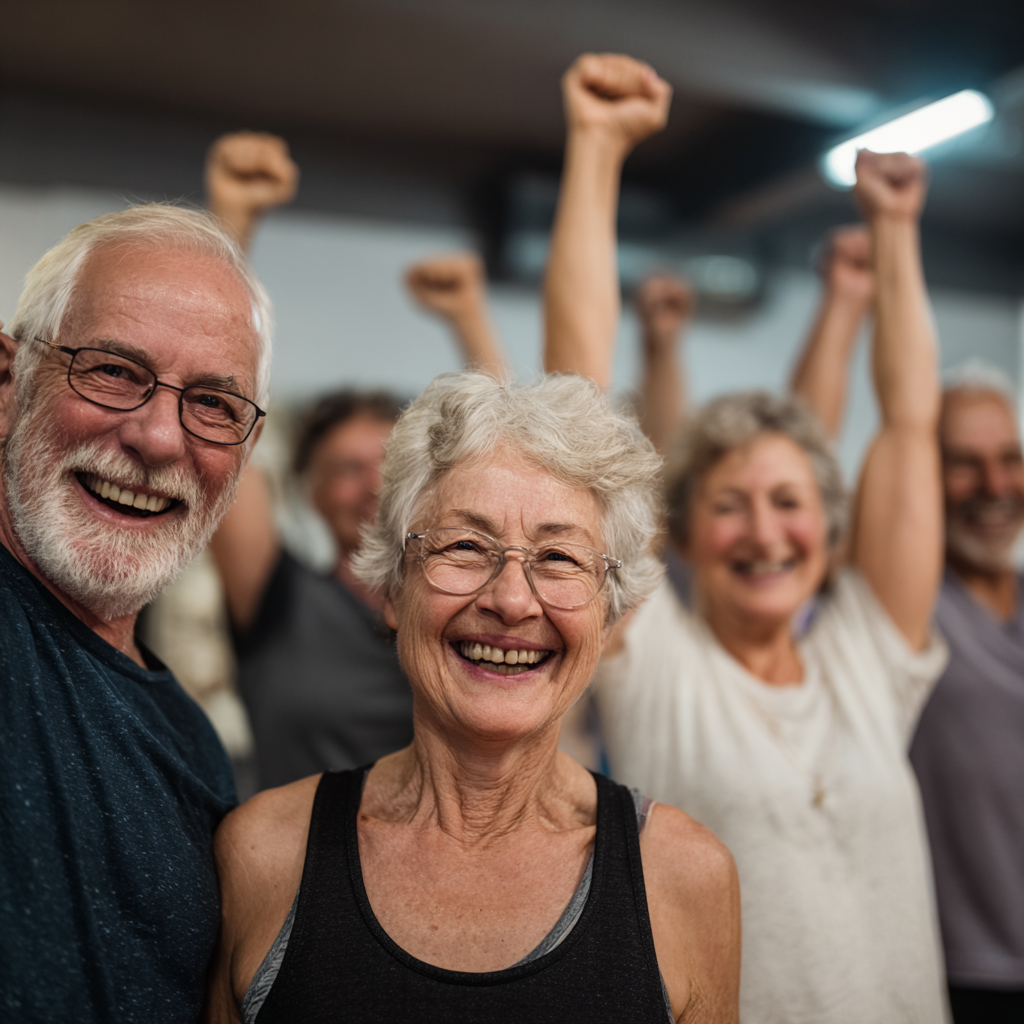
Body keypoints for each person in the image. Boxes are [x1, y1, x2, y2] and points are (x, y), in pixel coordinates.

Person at [543, 51, 950, 1024]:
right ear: (680, 532)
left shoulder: (864, 658)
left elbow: (907, 428)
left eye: (788, 499)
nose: (763, 531)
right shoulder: (658, 667)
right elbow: (573, 404)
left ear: (827, 523)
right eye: (730, 503)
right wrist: (596, 149)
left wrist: (893, 229)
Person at [202, 368, 741, 1024]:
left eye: (560, 559)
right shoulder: (261, 854)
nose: (512, 600)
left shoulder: (685, 877)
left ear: (611, 614)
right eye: (464, 546)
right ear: (394, 588)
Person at [0, 205, 270, 1021]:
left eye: (215, 405)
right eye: (114, 370)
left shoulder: (195, 746)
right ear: (7, 387)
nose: (159, 438)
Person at [205, 132, 509, 788]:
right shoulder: (276, 593)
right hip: (298, 873)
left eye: (388, 464)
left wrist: (469, 317)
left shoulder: (460, 599)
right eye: (345, 468)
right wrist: (234, 221)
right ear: (310, 492)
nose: (371, 485)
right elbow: (220, 418)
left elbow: (513, 458)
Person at [791, 270, 1024, 1023]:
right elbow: (806, 449)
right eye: (963, 461)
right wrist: (856, 296)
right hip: (960, 970)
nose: (994, 484)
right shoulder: (895, 611)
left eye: (1010, 457)